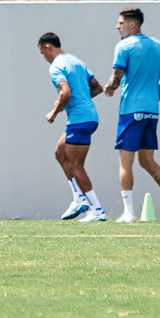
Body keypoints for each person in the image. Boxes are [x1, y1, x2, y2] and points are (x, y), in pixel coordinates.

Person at [104, 7, 160, 223]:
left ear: (132, 24)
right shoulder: (158, 46)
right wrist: (151, 101)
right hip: (151, 111)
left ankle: (129, 213)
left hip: (130, 112)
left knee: (125, 161)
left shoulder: (123, 46)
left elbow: (115, 78)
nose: (117, 26)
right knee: (147, 161)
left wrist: (108, 87)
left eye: (120, 22)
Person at [38, 33, 107, 222]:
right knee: (60, 153)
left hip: (80, 120)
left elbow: (65, 93)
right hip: (86, 117)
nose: (44, 57)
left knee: (76, 166)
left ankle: (97, 210)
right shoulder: (76, 61)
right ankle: (78, 198)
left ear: (47, 47)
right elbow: (97, 87)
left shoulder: (56, 66)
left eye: (42, 53)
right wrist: (80, 100)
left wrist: (54, 112)